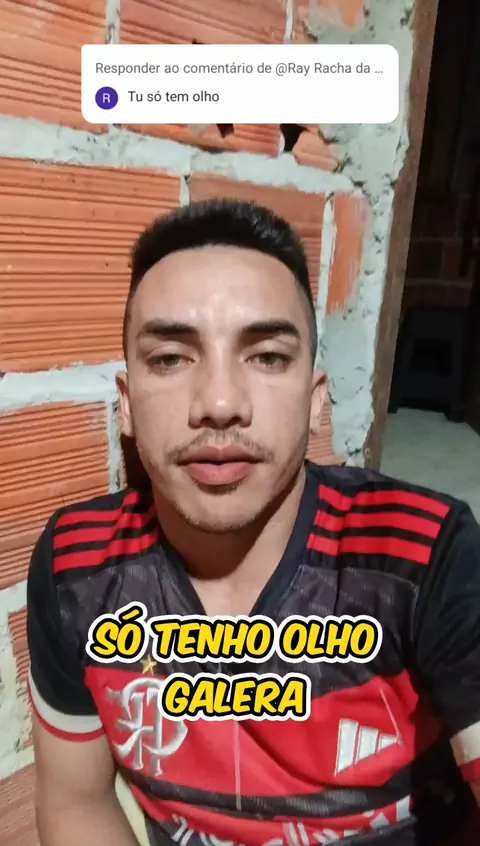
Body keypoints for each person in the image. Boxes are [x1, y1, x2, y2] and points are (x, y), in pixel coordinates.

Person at [27, 198, 480, 846]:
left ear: (316, 400)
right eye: (170, 358)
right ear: (125, 405)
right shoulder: (77, 565)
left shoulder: (422, 553)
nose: (219, 403)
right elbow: (76, 804)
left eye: (267, 356)